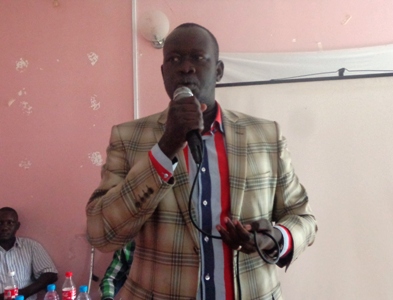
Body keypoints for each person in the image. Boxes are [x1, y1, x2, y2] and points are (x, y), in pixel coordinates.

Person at [86, 23, 317, 300]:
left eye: (198, 57)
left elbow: (303, 218)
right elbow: (101, 234)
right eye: (173, 59)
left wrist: (277, 238)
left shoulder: (266, 135)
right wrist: (165, 148)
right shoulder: (128, 137)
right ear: (163, 74)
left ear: (218, 70)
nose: (185, 67)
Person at [0, 207, 58, 300]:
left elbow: (50, 274)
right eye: (0, 223)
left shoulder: (31, 246)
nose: (4, 227)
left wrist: (23, 293)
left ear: (17, 226)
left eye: (10, 223)